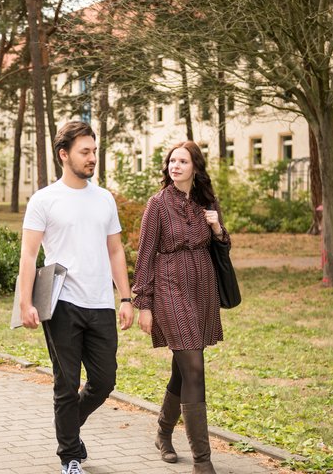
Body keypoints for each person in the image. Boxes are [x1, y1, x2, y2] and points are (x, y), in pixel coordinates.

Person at [18, 121, 135, 474]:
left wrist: (126, 298)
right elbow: (28, 253)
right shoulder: (44, 199)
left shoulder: (104, 199)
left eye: (94, 151)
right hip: (61, 303)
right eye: (85, 152)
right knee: (66, 383)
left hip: (100, 302)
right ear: (63, 154)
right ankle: (70, 456)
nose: (92, 158)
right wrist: (25, 302)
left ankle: (70, 428)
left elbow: (115, 251)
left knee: (104, 381)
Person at [132, 140, 229, 474]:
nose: (175, 166)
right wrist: (143, 303)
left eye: (182, 161)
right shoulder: (157, 204)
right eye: (172, 161)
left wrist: (217, 226)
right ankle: (203, 462)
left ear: (195, 167)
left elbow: (223, 244)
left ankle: (162, 431)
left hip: (202, 288)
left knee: (184, 368)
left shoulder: (206, 201)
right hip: (170, 288)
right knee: (194, 368)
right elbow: (144, 255)